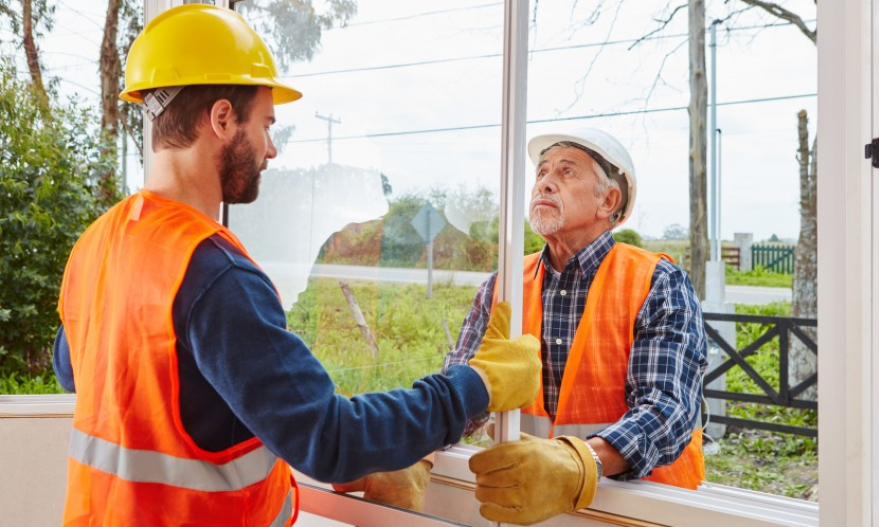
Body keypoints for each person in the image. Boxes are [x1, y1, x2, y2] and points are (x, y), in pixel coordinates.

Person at [51, 5, 541, 527]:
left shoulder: (100, 242)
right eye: (265, 124)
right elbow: (329, 440)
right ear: (222, 119)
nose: (272, 148)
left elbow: (77, 371)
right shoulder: (214, 272)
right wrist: (476, 386)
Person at [340, 128, 709, 525]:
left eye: (567, 172)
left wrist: (580, 463)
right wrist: (412, 445)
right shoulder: (506, 283)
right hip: (524, 508)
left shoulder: (656, 281)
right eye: (542, 172)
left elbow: (668, 411)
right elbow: (463, 388)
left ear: (609, 200)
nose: (545, 181)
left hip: (636, 511)